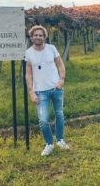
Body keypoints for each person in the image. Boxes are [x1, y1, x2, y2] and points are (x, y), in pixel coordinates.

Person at [25, 25, 69, 156]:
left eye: (40, 35)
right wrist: (31, 92)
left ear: (45, 37)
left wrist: (62, 80)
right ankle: (49, 143)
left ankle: (60, 140)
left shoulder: (52, 48)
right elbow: (28, 74)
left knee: (59, 115)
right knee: (43, 120)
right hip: (40, 92)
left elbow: (60, 64)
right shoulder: (28, 53)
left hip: (56, 88)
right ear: (32, 37)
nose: (38, 37)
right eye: (35, 35)